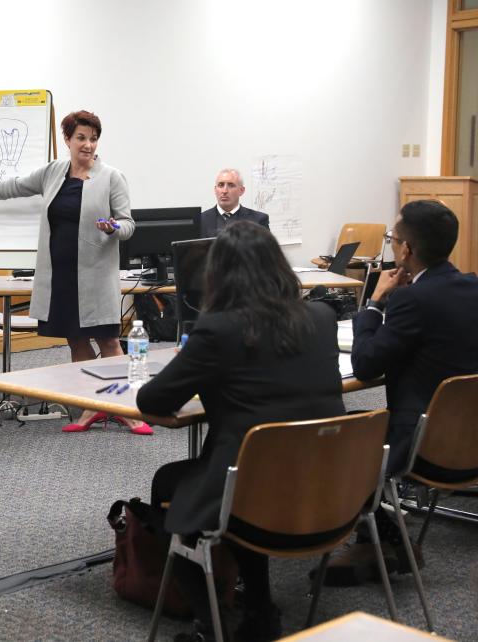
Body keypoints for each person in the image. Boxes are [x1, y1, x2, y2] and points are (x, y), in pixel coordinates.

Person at [136, 221, 344, 642]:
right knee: (250, 477)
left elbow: (153, 402)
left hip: (253, 490)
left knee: (174, 482)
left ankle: (211, 625)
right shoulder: (321, 318)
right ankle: (258, 612)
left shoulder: (217, 330)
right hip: (331, 493)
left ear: (219, 274)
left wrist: (196, 359)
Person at [0, 110, 151, 434]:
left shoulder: (111, 176)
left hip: (95, 275)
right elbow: (14, 187)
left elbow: (129, 224)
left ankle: (127, 411)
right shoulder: (53, 172)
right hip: (60, 276)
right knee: (77, 341)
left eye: (93, 138)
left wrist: (114, 226)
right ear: (68, 140)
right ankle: (91, 408)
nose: (88, 145)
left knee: (110, 342)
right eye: (81, 138)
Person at [322, 199, 478, 585]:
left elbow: (365, 364)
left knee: (337, 435)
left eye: (393, 238)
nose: (392, 244)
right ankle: (379, 539)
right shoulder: (473, 286)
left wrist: (374, 303)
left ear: (406, 250)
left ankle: (384, 538)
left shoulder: (411, 300)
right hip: (468, 440)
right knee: (359, 425)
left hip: (422, 446)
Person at [198, 168, 270, 238]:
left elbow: (266, 249)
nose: (224, 191)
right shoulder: (200, 220)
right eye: (221, 185)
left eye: (231, 185)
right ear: (215, 190)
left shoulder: (258, 220)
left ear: (241, 190)